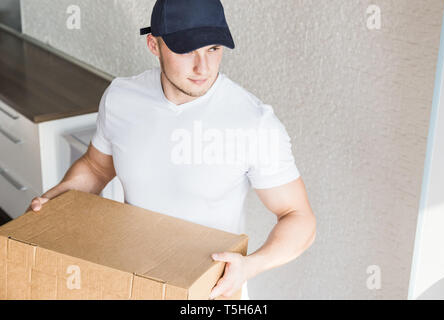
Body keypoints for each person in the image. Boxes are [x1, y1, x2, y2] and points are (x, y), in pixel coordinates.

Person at [28, 0, 316, 300]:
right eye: (187, 49)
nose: (202, 67)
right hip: (133, 281)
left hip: (211, 292)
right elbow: (97, 167)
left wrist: (251, 266)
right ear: (154, 44)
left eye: (213, 49)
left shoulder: (254, 123)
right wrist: (59, 197)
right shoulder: (121, 98)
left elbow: (298, 216)